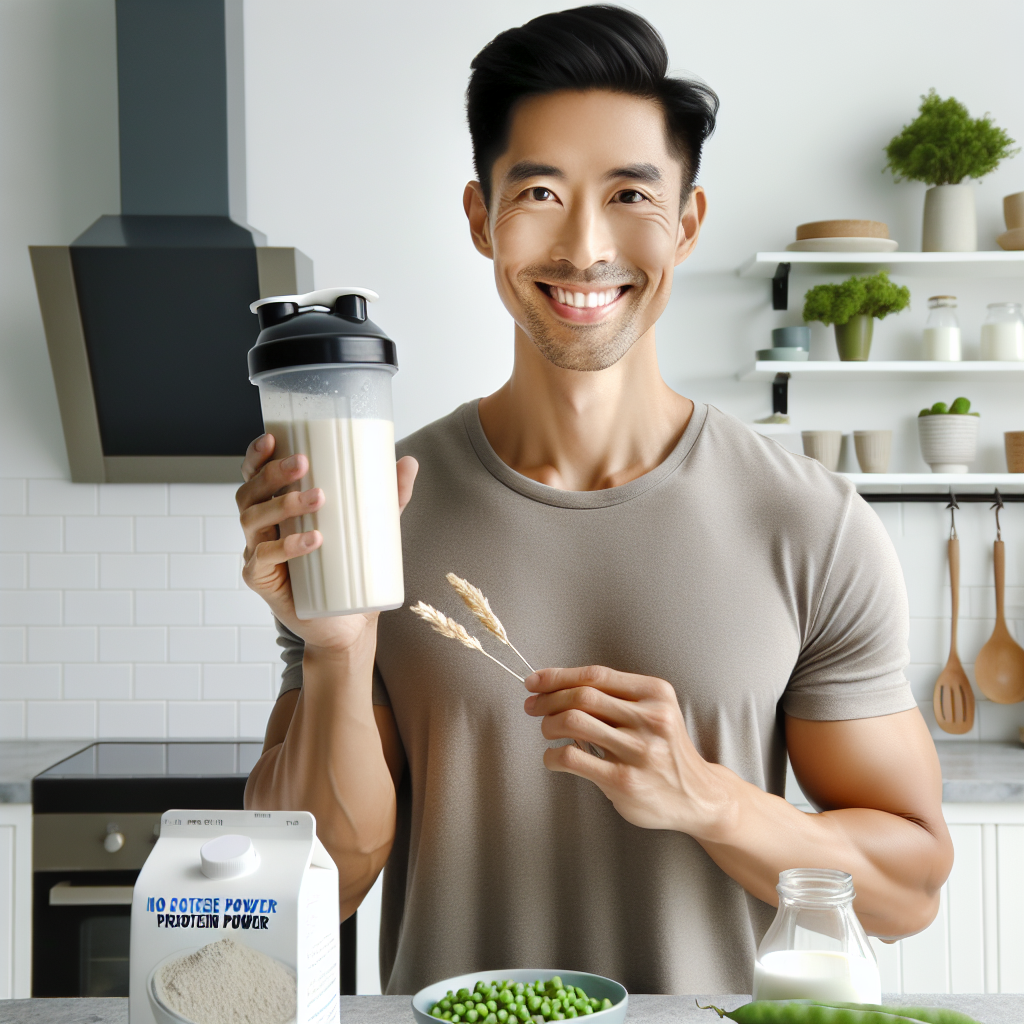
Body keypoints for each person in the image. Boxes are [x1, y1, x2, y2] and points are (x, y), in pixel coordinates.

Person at [237, 4, 952, 996]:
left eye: (629, 195)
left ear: (685, 224)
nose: (583, 246)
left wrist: (709, 799)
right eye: (539, 192)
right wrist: (335, 648)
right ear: (481, 217)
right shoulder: (371, 510)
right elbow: (319, 891)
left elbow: (907, 891)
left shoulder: (810, 523)